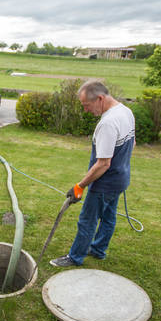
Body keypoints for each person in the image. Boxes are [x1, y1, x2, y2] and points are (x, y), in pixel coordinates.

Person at [50, 80, 135, 267]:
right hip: (120, 179)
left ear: (100, 98)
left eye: (86, 105)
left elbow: (103, 164)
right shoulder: (125, 111)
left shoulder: (108, 123)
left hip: (105, 183)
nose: (86, 110)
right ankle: (98, 250)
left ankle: (75, 257)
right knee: (108, 217)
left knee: (87, 220)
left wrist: (80, 186)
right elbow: (132, 144)